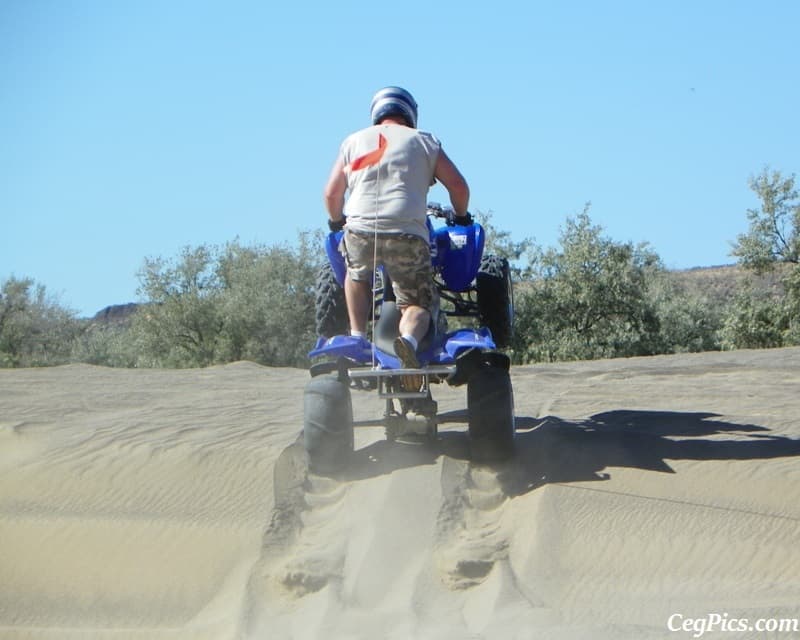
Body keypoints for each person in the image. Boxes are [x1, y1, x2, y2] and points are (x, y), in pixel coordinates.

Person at [323, 86, 471, 371]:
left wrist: (336, 220)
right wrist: (461, 216)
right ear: (410, 114)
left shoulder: (352, 141)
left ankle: (356, 336)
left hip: (360, 229)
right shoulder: (424, 141)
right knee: (417, 302)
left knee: (356, 275)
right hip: (408, 231)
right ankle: (409, 341)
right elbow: (458, 186)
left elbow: (331, 194)